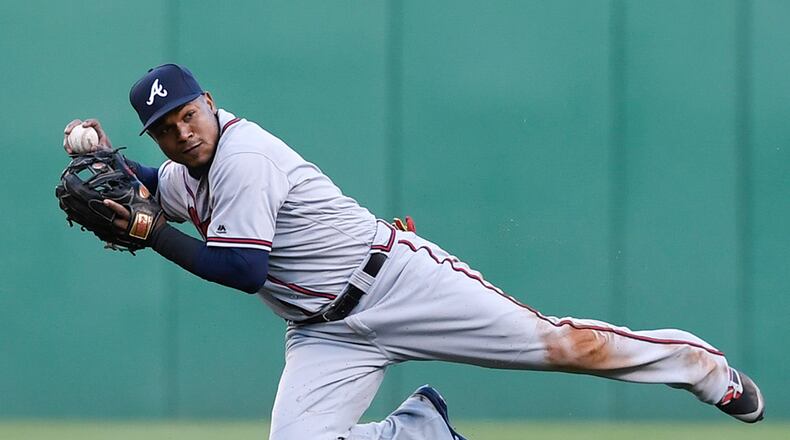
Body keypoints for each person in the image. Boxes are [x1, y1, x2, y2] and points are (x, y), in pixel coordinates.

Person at [62, 64, 764, 440]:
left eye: (188, 114)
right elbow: (155, 186)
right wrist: (104, 155)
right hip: (324, 333)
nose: (182, 132)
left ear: (210, 103)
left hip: (396, 282)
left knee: (562, 347)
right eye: (164, 128)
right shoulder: (187, 169)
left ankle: (698, 367)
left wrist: (153, 236)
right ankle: (420, 430)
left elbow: (243, 270)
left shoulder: (245, 156)